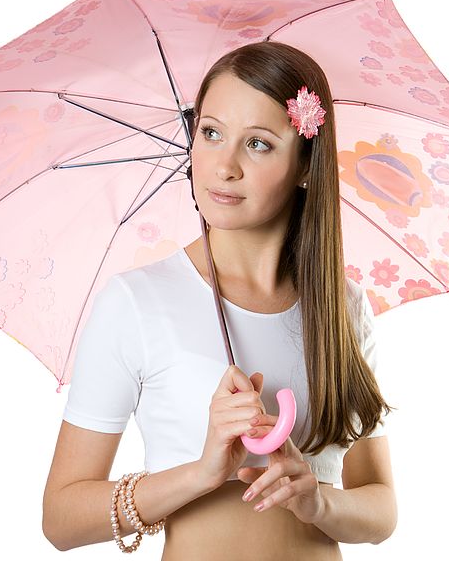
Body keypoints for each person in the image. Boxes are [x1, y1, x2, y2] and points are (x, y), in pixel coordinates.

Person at [42, 41, 396, 560]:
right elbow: (61, 520)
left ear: (304, 165)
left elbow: (382, 510)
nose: (224, 166)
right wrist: (203, 472)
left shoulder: (341, 307)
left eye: (258, 144)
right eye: (210, 133)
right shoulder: (137, 302)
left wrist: (316, 501)